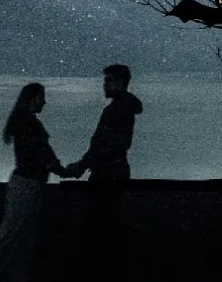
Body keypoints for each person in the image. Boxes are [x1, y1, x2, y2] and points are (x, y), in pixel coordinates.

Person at [64, 64, 142, 281]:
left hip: (107, 175)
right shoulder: (123, 108)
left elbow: (104, 145)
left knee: (99, 226)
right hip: (113, 172)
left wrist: (81, 166)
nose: (104, 84)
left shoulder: (116, 110)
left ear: (118, 82)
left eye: (108, 80)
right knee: (108, 225)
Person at [0, 82, 67, 281]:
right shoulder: (29, 124)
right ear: (32, 99)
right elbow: (43, 155)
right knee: (14, 238)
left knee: (17, 238)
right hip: (27, 186)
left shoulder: (23, 122)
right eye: (41, 97)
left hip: (26, 185)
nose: (44, 102)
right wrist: (63, 170)